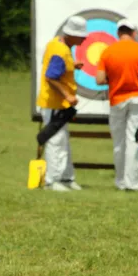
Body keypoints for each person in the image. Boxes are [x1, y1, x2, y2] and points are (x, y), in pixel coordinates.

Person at [96, 19, 138, 191]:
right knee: (134, 140)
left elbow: (100, 79)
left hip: (117, 101)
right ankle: (133, 183)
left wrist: (114, 78)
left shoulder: (108, 51)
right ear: (133, 33)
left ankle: (120, 181)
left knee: (119, 142)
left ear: (118, 33)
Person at [36, 16, 87, 192]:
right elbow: (51, 76)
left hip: (58, 103)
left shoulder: (58, 44)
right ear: (71, 34)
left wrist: (72, 64)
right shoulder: (60, 50)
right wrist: (67, 94)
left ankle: (65, 178)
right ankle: (51, 180)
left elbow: (57, 66)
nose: (85, 39)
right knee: (55, 141)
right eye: (81, 36)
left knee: (62, 140)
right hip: (54, 102)